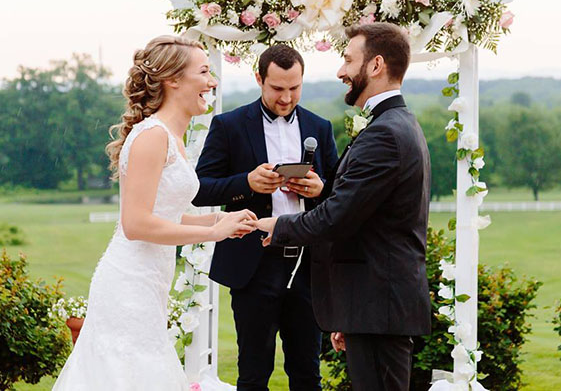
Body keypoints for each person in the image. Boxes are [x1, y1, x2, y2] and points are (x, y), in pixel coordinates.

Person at [52, 35, 256, 391]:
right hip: (128, 282)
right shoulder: (152, 136)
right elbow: (135, 223)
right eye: (205, 72)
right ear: (172, 79)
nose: (212, 82)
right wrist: (212, 233)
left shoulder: (174, 137)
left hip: (149, 282)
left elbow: (166, 214)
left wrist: (218, 219)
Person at [252, 23, 432, 391]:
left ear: (376, 64)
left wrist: (278, 226)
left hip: (380, 308)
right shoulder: (396, 124)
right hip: (371, 309)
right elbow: (364, 217)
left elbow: (337, 217)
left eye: (348, 60)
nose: (340, 71)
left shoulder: (385, 133)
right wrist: (348, 315)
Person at [192, 44, 339, 391]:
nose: (287, 98)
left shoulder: (321, 125)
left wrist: (319, 189)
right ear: (259, 79)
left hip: (306, 266)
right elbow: (199, 189)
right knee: (254, 373)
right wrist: (246, 182)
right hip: (253, 264)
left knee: (307, 374)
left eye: (294, 88)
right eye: (277, 88)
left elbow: (340, 193)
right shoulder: (228, 125)